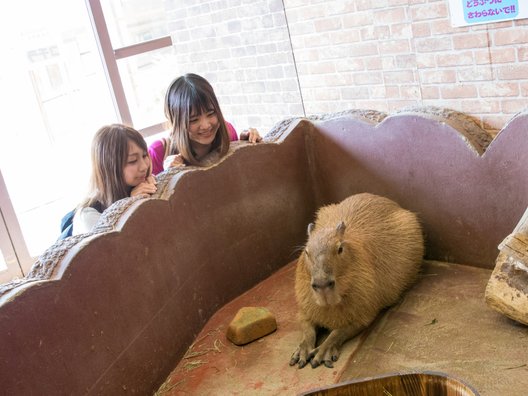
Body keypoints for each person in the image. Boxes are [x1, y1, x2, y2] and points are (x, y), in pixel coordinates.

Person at [148, 73, 262, 175]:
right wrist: (167, 177)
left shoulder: (228, 132)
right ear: (176, 122)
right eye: (193, 120)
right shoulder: (158, 153)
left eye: (211, 113)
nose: (206, 125)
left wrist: (246, 144)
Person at [71, 124, 157, 235]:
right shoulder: (88, 216)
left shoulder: (142, 185)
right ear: (109, 167)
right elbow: (119, 248)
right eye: (132, 160)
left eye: (145, 155)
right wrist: (129, 206)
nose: (144, 166)